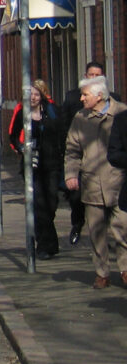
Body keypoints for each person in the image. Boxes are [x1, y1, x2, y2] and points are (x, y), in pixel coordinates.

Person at [64, 76, 127, 288]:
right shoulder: (80, 118)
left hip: (119, 183)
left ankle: (126, 269)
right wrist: (71, 174)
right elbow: (72, 150)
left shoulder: (121, 113)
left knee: (123, 229)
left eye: (85, 95)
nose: (81, 98)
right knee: (96, 232)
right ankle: (102, 272)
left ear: (99, 96)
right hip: (92, 183)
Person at [60, 61, 117, 245]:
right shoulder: (74, 100)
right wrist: (71, 169)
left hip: (111, 169)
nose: (93, 78)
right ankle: (77, 224)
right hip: (85, 165)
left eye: (97, 75)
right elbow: (67, 133)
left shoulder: (117, 104)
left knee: (115, 214)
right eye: (90, 75)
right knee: (77, 199)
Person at [8, 80, 64, 259]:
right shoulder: (21, 112)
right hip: (32, 165)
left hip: (52, 164)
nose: (33, 97)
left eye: (36, 94)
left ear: (42, 96)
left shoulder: (52, 111)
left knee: (52, 204)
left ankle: (47, 241)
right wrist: (21, 148)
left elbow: (62, 133)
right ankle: (45, 246)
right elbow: (13, 135)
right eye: (30, 94)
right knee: (39, 205)